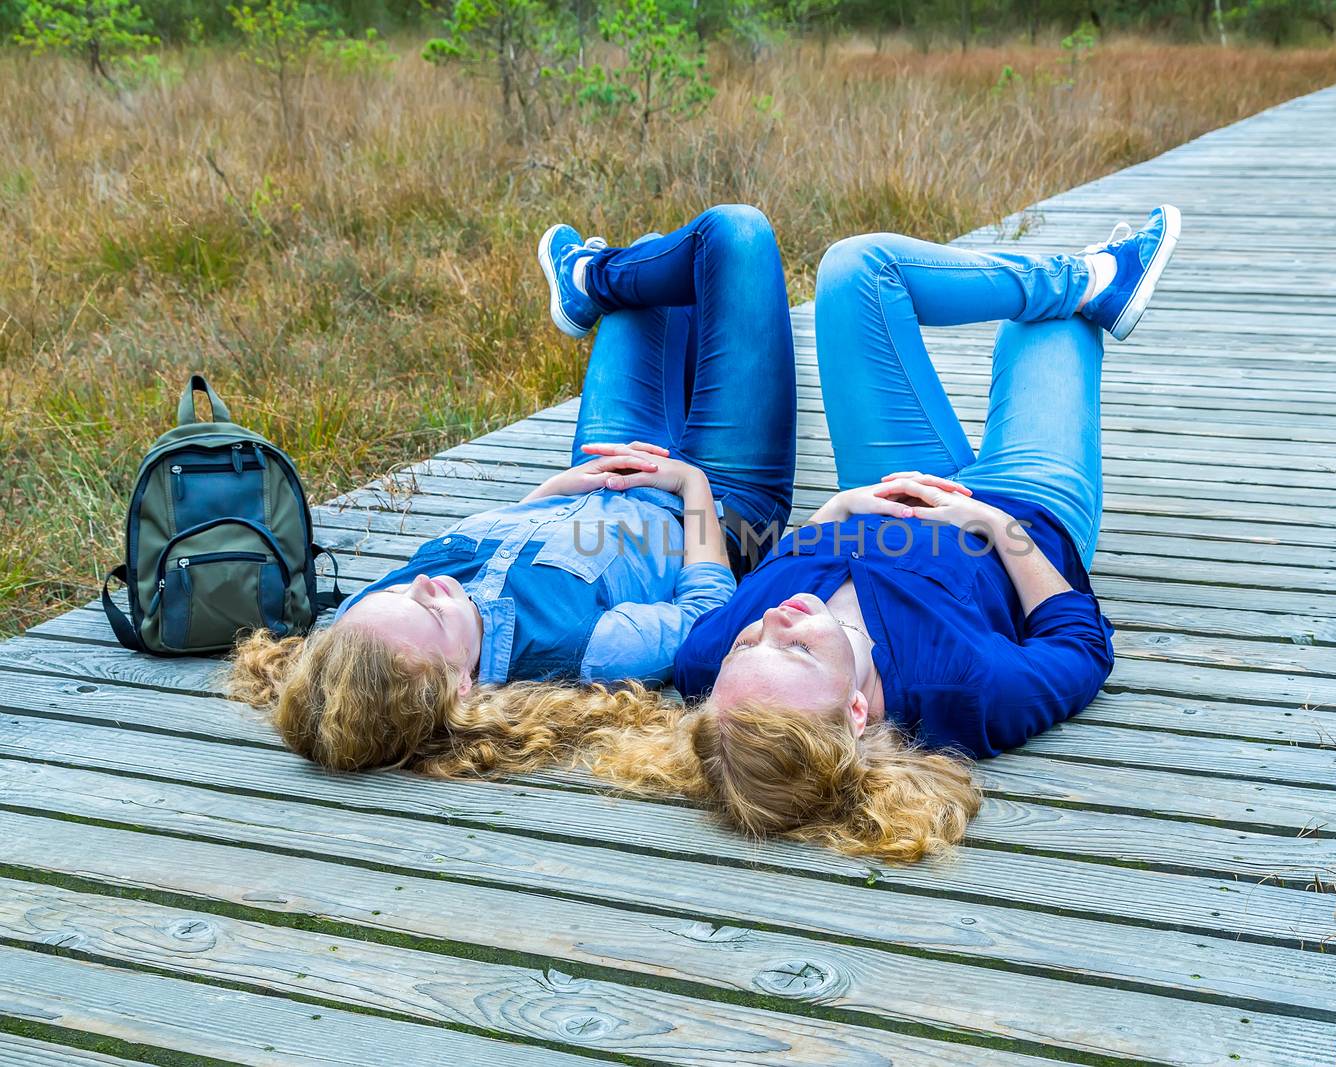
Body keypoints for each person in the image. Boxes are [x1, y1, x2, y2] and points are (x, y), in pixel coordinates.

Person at [583, 206, 1181, 861]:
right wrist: (991, 523)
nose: (776, 621)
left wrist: (837, 511)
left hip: (885, 482)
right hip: (1026, 506)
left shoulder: (714, 662)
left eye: (751, 640)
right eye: (799, 649)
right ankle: (1085, 284)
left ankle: (1086, 276)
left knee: (856, 269)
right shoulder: (968, 690)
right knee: (1046, 328)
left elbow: (775, 574)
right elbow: (1081, 642)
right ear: (857, 714)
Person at [228, 204, 797, 776]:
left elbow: (500, 543)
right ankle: (586, 278)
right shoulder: (578, 648)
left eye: (401, 593)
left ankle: (592, 280)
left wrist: (557, 488)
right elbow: (707, 615)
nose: (425, 584)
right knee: (734, 234)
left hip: (603, 466)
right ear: (462, 687)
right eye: (430, 613)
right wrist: (691, 483)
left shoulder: (370, 622)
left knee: (652, 260)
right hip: (717, 503)